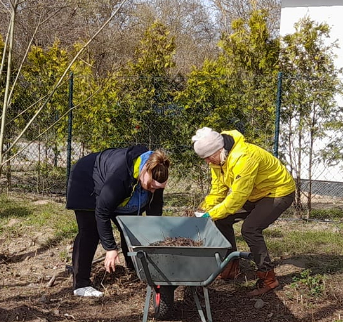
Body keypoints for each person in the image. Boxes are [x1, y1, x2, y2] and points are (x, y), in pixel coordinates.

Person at [191, 127, 295, 296]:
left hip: (278, 191)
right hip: (255, 192)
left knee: (250, 229)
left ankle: (268, 278)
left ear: (218, 150)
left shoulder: (243, 157)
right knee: (222, 220)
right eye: (205, 159)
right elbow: (218, 189)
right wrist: (203, 209)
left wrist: (210, 215)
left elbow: (237, 198)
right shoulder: (219, 159)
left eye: (208, 158)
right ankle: (230, 266)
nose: (207, 162)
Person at [65, 145, 171, 307]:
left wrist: (155, 237)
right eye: (151, 185)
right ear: (145, 171)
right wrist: (110, 249)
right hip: (87, 179)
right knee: (90, 230)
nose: (153, 190)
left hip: (113, 190)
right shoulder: (120, 176)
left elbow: (154, 211)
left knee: (130, 226)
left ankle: (134, 270)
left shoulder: (157, 171)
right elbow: (102, 212)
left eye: (158, 188)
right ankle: (81, 284)